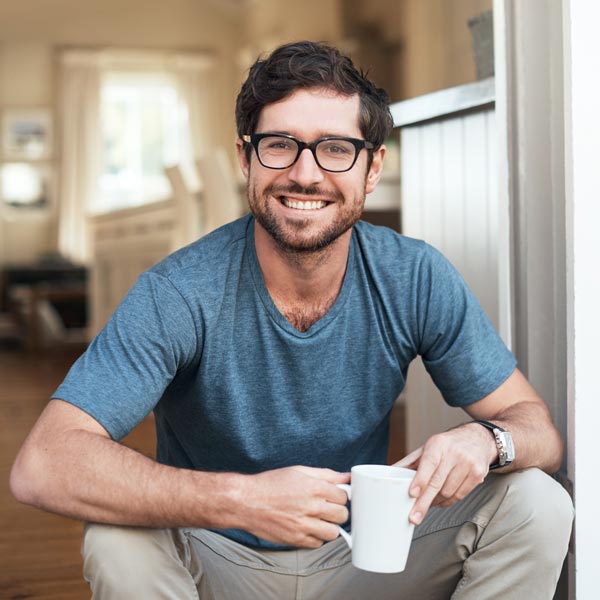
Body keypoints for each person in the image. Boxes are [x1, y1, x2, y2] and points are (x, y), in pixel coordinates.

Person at [10, 41, 573, 599]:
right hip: (214, 563)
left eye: (336, 149)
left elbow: (536, 431)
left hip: (362, 560)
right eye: (280, 145)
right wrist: (243, 501)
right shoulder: (177, 292)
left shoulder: (414, 275)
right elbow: (43, 465)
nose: (306, 174)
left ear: (373, 167)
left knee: (536, 501)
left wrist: (485, 440)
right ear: (245, 158)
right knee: (115, 534)